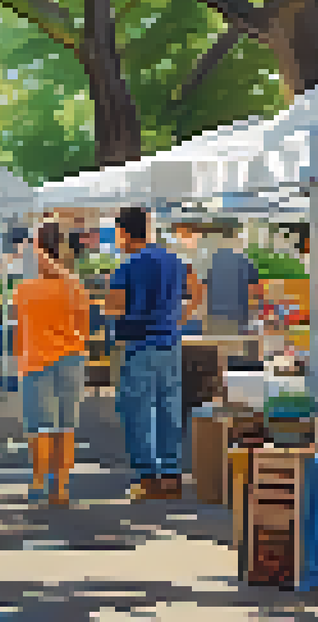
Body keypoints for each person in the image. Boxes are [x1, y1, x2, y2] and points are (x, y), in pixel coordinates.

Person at [105, 206, 202, 501]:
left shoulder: (127, 267)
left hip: (138, 345)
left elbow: (115, 308)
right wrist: (179, 319)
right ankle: (171, 476)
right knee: (169, 408)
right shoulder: (175, 261)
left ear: (123, 232)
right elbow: (197, 292)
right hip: (170, 343)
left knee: (137, 412)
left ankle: (147, 478)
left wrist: (106, 311)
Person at [14, 223, 91, 504]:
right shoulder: (75, 287)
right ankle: (61, 487)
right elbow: (84, 328)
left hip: (35, 360)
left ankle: (38, 481)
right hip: (72, 358)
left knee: (40, 426)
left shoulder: (24, 290)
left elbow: (19, 332)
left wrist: (18, 364)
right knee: (66, 426)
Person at [206, 234, 262, 337]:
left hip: (215, 315)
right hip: (238, 315)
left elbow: (203, 288)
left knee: (216, 346)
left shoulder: (211, 262)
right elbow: (255, 288)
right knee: (236, 347)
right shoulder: (244, 261)